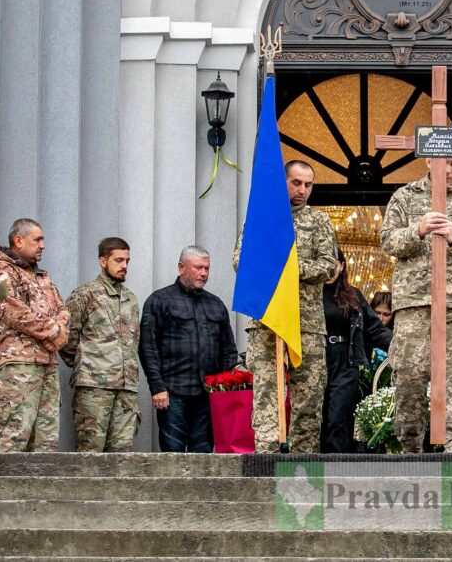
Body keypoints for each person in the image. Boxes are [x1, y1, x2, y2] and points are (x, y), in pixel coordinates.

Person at [380, 157, 452, 453]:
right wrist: (417, 230)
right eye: (443, 162)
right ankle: (409, 446)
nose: (448, 170)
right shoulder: (405, 196)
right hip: (415, 301)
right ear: (429, 160)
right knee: (408, 372)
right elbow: (388, 241)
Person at [235, 160, 339, 453]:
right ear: (283, 182)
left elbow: (328, 267)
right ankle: (266, 456)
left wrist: (290, 268)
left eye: (308, 185)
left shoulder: (319, 222)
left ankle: (303, 460)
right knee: (267, 395)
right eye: (296, 183)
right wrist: (275, 268)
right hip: (268, 321)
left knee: (310, 397)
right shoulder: (261, 218)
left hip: (308, 324)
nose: (302, 190)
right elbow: (240, 261)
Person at [139, 245, 239, 453]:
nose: (204, 273)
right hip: (173, 393)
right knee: (172, 454)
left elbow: (228, 349)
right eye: (198, 268)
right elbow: (148, 348)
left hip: (207, 395)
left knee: (203, 453)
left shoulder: (215, 304)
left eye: (207, 268)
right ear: (181, 267)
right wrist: (157, 388)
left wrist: (224, 390)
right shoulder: (159, 300)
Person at [0, 218, 69, 452]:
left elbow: (62, 309)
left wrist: (60, 328)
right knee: (14, 438)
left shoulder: (42, 277)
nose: (43, 245)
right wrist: (53, 331)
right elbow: (10, 308)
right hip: (18, 369)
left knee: (46, 444)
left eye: (43, 240)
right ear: (18, 240)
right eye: (37, 240)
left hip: (47, 366)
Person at [61, 237, 141, 452]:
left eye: (127, 261)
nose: (124, 266)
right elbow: (68, 339)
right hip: (94, 388)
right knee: (90, 453)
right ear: (102, 261)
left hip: (126, 389)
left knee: (122, 454)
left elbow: (134, 342)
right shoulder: (85, 294)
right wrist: (88, 365)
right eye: (118, 260)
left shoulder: (131, 299)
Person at [320, 248, 393, 453]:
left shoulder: (352, 295)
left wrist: (400, 346)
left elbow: (375, 330)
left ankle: (338, 468)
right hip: (316, 358)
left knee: (338, 416)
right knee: (317, 418)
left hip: (345, 359)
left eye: (333, 262)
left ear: (342, 266)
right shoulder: (307, 296)